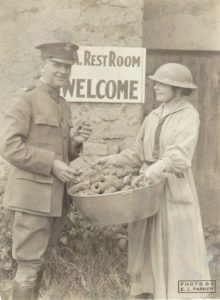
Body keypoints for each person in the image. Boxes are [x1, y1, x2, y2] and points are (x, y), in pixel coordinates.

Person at [96, 63, 210, 299]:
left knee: (175, 245)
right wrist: (112, 160)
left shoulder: (188, 115)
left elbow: (181, 154)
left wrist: (159, 166)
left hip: (172, 188)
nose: (155, 86)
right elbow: (137, 155)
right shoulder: (153, 116)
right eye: (155, 82)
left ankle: (179, 295)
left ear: (177, 88)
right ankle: (148, 292)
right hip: (146, 191)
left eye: (161, 83)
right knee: (145, 244)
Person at [0, 42, 92, 300]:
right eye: (57, 64)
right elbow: (9, 147)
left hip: (55, 200)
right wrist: (51, 163)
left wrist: (74, 143)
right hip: (31, 198)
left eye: (67, 66)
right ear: (42, 65)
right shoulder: (25, 99)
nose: (63, 71)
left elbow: (61, 153)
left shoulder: (63, 104)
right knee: (29, 263)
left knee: (38, 261)